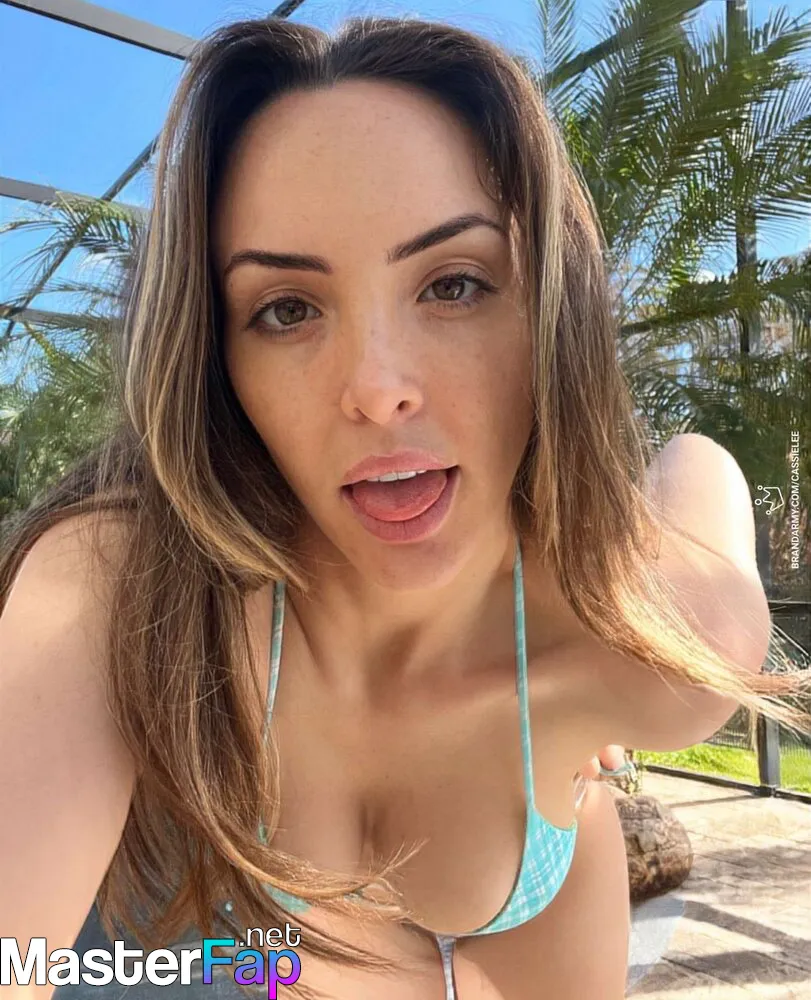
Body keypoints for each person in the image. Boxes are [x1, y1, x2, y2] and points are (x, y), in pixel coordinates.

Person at [1, 14, 806, 1000]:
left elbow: (696, 461)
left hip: (538, 901)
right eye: (286, 309)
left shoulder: (665, 642)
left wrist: (610, 542)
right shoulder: (126, 586)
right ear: (216, 355)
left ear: (549, 311)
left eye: (454, 284)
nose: (377, 389)